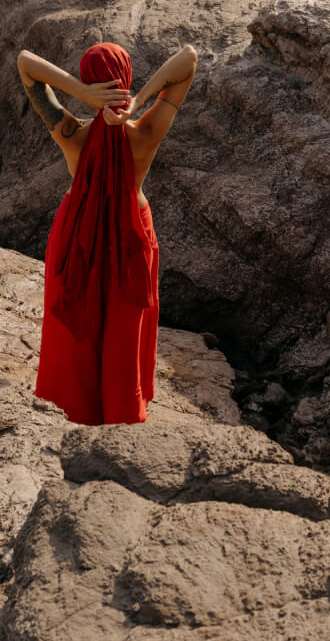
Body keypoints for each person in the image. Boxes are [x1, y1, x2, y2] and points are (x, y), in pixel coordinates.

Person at [16, 40, 198, 425]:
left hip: (76, 233)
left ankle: (75, 408)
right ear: (127, 79)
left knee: (76, 327)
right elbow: (189, 58)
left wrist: (81, 94)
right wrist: (139, 99)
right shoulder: (145, 133)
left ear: (88, 81)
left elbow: (26, 64)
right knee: (124, 330)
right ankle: (122, 410)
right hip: (130, 238)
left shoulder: (71, 133)